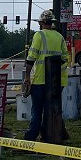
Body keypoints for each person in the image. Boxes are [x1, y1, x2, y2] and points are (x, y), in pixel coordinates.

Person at [22, 9, 68, 142]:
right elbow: (65, 58)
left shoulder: (39, 35)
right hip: (56, 81)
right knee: (52, 109)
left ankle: (31, 137)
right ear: (52, 22)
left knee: (37, 110)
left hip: (40, 80)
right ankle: (52, 135)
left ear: (42, 22)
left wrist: (27, 77)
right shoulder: (59, 37)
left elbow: (31, 58)